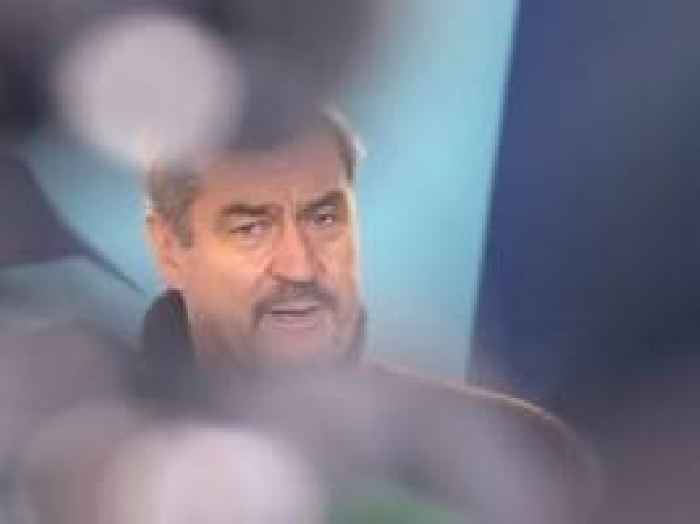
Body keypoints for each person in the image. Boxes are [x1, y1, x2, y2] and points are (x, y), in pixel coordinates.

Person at [135, 109, 600, 522]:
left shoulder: (517, 457)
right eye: (251, 228)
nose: (300, 267)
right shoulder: (106, 463)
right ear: (169, 250)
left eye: (324, 219)